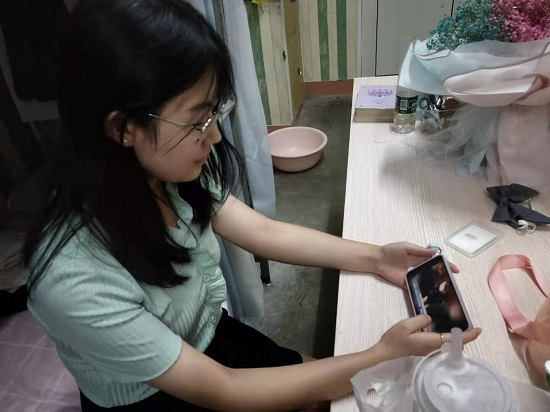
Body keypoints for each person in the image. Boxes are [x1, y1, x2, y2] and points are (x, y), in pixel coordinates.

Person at [23, 1, 481, 411]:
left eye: (213, 112)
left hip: (208, 336)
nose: (214, 135)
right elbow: (224, 390)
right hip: (152, 396)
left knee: (324, 387)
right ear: (123, 128)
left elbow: (263, 232)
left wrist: (376, 256)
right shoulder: (71, 277)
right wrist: (379, 356)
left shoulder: (166, 171)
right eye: (197, 120)